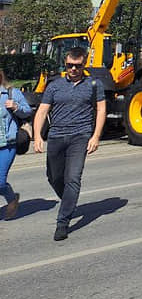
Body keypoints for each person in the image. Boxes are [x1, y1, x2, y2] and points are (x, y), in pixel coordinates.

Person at [32, 47, 106, 241]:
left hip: (79, 137)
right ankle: (69, 201)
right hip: (56, 137)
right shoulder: (54, 85)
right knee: (54, 177)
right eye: (69, 66)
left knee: (73, 178)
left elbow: (101, 110)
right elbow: (41, 112)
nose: (73, 69)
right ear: (65, 64)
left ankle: (62, 222)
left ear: (84, 65)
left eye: (77, 66)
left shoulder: (94, 84)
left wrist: (95, 136)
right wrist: (37, 136)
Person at [2, 68, 33, 220]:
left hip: (7, 144)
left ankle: (12, 199)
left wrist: (16, 107)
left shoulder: (11, 93)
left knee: (0, 182)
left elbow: (27, 112)